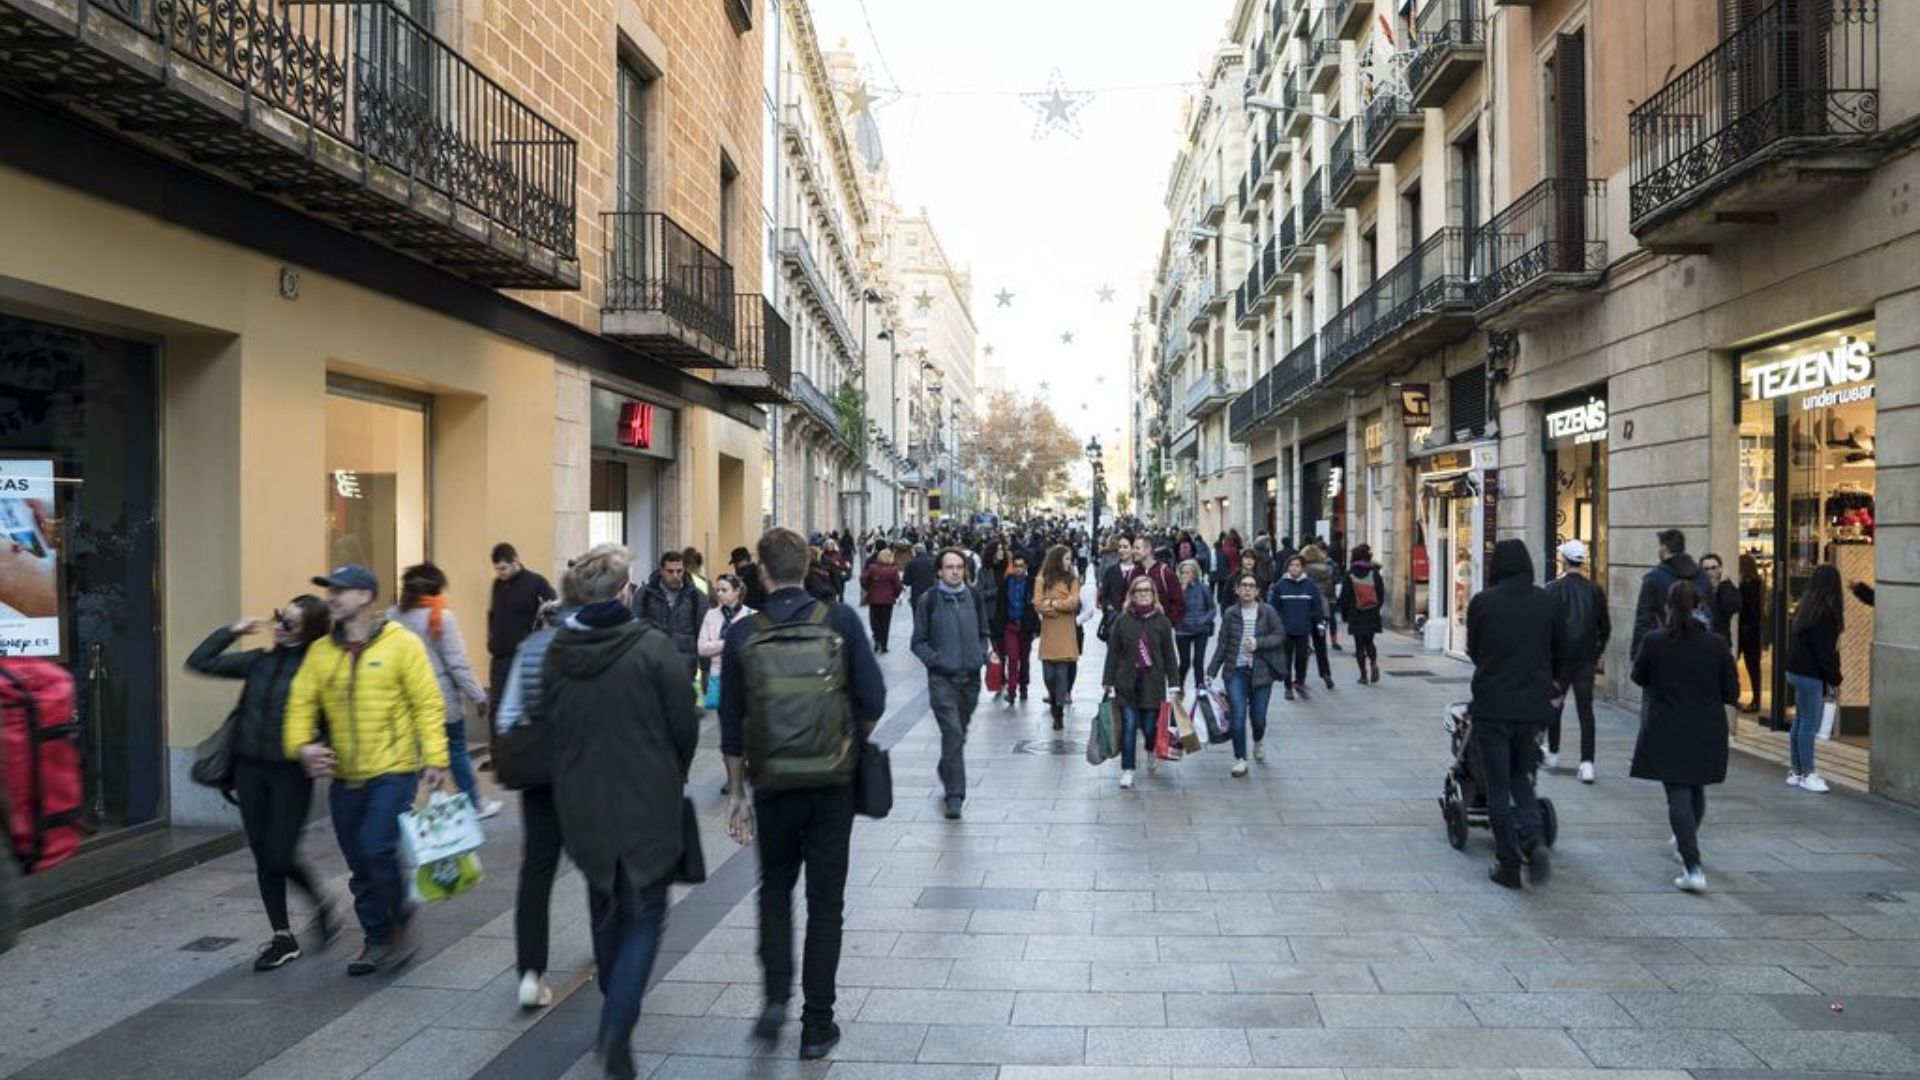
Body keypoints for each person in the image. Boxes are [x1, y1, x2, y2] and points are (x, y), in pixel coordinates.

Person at [722, 528, 886, 1060]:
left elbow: (730, 723)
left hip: (772, 785)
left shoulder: (743, 634)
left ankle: (774, 999)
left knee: (774, 890)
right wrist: (845, 739)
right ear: (807, 567)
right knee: (825, 902)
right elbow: (875, 698)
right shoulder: (838, 621)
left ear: (762, 574)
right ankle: (818, 1024)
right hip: (831, 785)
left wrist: (736, 794)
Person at [543, 545, 698, 1078]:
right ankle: (616, 1023)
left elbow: (549, 728)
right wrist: (669, 773)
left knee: (603, 902)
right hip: (646, 801)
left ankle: (613, 994)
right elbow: (685, 723)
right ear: (624, 592)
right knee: (646, 914)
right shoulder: (651, 648)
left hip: (582, 804)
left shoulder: (558, 652)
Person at [284, 564, 449, 976]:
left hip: (392, 771)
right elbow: (300, 705)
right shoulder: (322, 652)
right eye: (329, 591)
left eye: (341, 590)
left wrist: (434, 760)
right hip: (345, 776)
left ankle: (397, 920)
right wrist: (302, 746)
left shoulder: (402, 644)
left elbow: (427, 704)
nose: (332, 598)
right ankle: (378, 936)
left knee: (376, 847)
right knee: (359, 862)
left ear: (366, 597)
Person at [186, 596, 340, 970]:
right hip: (249, 769)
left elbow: (334, 720)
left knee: (281, 853)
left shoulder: (316, 670)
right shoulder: (259, 661)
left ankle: (320, 901)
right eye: (280, 617)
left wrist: (321, 748)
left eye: (291, 622)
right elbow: (199, 662)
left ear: (311, 631)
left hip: (290, 772)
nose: (280, 625)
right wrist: (230, 631)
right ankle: (282, 936)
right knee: (262, 854)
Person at [1465, 540, 1570, 890]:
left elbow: (1474, 651)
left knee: (1496, 785)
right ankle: (1534, 840)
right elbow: (1562, 653)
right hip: (1532, 707)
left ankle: (1508, 863)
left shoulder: (1483, 603)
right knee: (1521, 777)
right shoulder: (1548, 602)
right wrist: (1552, 689)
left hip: (1493, 706)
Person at [492, 585, 576, 1011]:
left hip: (539, 777)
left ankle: (530, 973)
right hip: (583, 774)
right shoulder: (585, 648)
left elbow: (506, 717)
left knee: (536, 873)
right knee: (602, 866)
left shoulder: (528, 650)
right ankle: (610, 949)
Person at [1630, 580, 1739, 893]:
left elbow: (1639, 677)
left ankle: (1692, 865)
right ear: (1699, 606)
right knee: (1695, 787)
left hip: (1667, 726)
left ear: (1667, 607)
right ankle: (1686, 844)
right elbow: (1731, 691)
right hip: (1706, 727)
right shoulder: (1716, 645)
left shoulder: (1655, 641)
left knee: (1677, 791)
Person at [390, 562, 500, 819]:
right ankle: (475, 804)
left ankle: (407, 811)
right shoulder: (441, 617)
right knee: (456, 751)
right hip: (440, 699)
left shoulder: (392, 616)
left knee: (411, 756)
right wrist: (478, 694)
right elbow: (457, 663)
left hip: (404, 700)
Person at [913, 548, 994, 817]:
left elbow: (984, 631)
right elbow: (918, 642)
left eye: (959, 566)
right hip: (942, 680)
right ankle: (955, 796)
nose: (955, 571)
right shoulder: (929, 600)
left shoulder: (973, 596)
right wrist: (937, 662)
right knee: (953, 733)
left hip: (970, 678)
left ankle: (946, 766)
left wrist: (981, 653)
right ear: (939, 571)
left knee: (959, 732)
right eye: (949, 567)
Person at [1542, 539, 1611, 783]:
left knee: (1554, 705)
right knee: (1586, 711)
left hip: (1558, 660)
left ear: (1564, 560)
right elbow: (1606, 626)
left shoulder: (1552, 588)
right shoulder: (1594, 590)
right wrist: (1597, 651)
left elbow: (1545, 626)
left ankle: (1553, 752)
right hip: (1585, 660)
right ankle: (1587, 762)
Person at [1102, 575, 1177, 790]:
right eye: (1139, 591)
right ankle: (1128, 770)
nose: (1144, 594)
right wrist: (1108, 680)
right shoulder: (1123, 621)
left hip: (1152, 684)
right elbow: (1113, 653)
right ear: (1132, 595)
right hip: (1127, 683)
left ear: (1154, 595)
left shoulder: (1162, 622)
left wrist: (1174, 683)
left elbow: (1170, 656)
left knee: (1149, 727)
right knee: (1129, 726)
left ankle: (1151, 748)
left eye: (1148, 591)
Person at [1207, 573, 1284, 775]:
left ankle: (1258, 739)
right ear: (1237, 590)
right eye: (1244, 585)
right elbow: (1222, 645)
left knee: (1258, 718)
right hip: (1236, 672)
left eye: (1252, 586)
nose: (1248, 589)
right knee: (1238, 715)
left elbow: (1280, 636)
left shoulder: (1268, 612)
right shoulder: (1231, 614)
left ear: (1258, 591)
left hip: (1262, 672)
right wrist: (1211, 671)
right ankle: (1240, 758)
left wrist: (1259, 644)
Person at [1783, 563, 1844, 794]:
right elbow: (1825, 653)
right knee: (1809, 724)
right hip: (1810, 674)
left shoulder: (1805, 608)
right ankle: (1808, 772)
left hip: (1795, 671)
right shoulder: (1826, 614)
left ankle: (1796, 771)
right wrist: (1835, 679)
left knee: (1800, 721)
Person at [488, 543, 555, 715]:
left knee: (520, 708)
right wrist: (491, 640)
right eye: (497, 569)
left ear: (515, 561)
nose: (500, 573)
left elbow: (553, 611)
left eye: (503, 568)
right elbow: (493, 615)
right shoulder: (497, 585)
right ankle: (497, 742)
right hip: (499, 657)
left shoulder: (536, 583)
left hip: (523, 657)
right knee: (496, 707)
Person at [1632, 528, 1711, 659]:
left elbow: (1643, 620)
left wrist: (1637, 654)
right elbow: (1709, 613)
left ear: (1664, 548)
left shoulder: (1653, 578)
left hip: (1665, 649)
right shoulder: (1701, 576)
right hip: (1699, 649)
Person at [638, 550, 709, 683]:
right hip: (653, 666)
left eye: (679, 571)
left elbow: (703, 632)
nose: (675, 575)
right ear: (661, 571)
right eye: (670, 571)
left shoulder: (696, 596)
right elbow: (636, 630)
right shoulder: (645, 594)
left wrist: (706, 670)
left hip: (685, 668)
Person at [1035, 544, 1081, 731]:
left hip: (1065, 632)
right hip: (1049, 633)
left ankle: (1059, 711)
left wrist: (1052, 603)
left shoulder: (1073, 579)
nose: (1070, 563)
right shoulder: (1042, 579)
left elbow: (1074, 603)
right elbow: (1038, 603)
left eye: (1071, 559)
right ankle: (1054, 700)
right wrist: (1058, 607)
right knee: (1049, 676)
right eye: (1067, 559)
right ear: (1057, 559)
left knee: (1062, 675)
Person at [1267, 555, 1322, 700]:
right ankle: (1288, 687)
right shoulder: (1281, 585)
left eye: (1297, 565)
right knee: (1286, 659)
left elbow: (1316, 606)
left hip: (1303, 628)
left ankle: (1299, 682)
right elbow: (1273, 607)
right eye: (1291, 565)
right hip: (1285, 630)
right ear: (1287, 567)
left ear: (1302, 567)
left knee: (1302, 657)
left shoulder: (1310, 585)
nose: (1294, 568)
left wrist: (1320, 623)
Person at [994, 554, 1041, 704]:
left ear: (1026, 567)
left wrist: (1035, 626)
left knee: (1024, 659)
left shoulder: (1032, 583)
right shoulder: (1006, 583)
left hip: (1026, 626)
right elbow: (1000, 604)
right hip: (1010, 625)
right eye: (1016, 566)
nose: (1018, 569)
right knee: (1013, 658)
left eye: (1021, 566)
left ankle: (1024, 687)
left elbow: (1035, 605)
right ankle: (1012, 690)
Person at [1339, 544, 1386, 685]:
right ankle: (1373, 662)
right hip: (1371, 613)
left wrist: (1345, 614)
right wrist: (1376, 608)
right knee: (1370, 642)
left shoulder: (1350, 574)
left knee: (1359, 645)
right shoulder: (1375, 573)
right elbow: (1381, 595)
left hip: (1356, 614)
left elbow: (1344, 597)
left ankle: (1363, 675)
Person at [1172, 559, 1216, 697]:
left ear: (1195, 573)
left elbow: (1212, 609)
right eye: (1182, 572)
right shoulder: (1176, 589)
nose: (1184, 575)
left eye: (1188, 572)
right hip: (1182, 630)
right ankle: (1179, 683)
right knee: (1185, 661)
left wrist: (1204, 620)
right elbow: (1174, 609)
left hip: (1200, 629)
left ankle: (1200, 685)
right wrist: (1182, 591)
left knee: (1199, 659)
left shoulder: (1203, 588)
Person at [1298, 544, 1337, 688]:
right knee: (1321, 644)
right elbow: (1329, 593)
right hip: (1322, 611)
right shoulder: (1327, 571)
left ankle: (1300, 678)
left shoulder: (1302, 572)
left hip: (1305, 610)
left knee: (1303, 646)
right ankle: (1325, 673)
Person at [1124, 535, 1184, 626]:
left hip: (1160, 631)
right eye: (1133, 548)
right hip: (1135, 629)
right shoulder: (1131, 574)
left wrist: (1167, 623)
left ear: (1148, 550)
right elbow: (1124, 599)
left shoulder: (1165, 573)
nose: (1133, 551)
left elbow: (1178, 602)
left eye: (1137, 548)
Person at [859, 547, 904, 653]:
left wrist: (868, 589)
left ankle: (877, 639)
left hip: (874, 598)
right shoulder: (893, 570)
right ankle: (884, 644)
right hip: (888, 600)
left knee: (875, 621)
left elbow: (863, 579)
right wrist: (895, 595)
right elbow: (898, 585)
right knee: (885, 622)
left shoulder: (872, 568)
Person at [1737, 552, 1767, 712]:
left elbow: (1747, 609)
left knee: (1748, 665)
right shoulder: (1758, 583)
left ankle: (1752, 699)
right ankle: (1756, 698)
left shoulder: (1747, 585)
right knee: (1753, 667)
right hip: (1753, 630)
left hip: (1746, 630)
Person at [1700, 553, 1741, 644]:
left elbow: (1732, 607)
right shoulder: (1697, 589)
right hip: (1702, 642)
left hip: (1721, 641)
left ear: (1720, 569)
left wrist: (1724, 584)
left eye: (1713, 568)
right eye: (1706, 569)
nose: (1710, 572)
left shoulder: (1728, 587)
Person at [902, 544, 937, 611]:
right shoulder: (933, 561)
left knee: (917, 617)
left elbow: (906, 581)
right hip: (932, 592)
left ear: (915, 552)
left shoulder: (911, 563)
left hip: (917, 594)